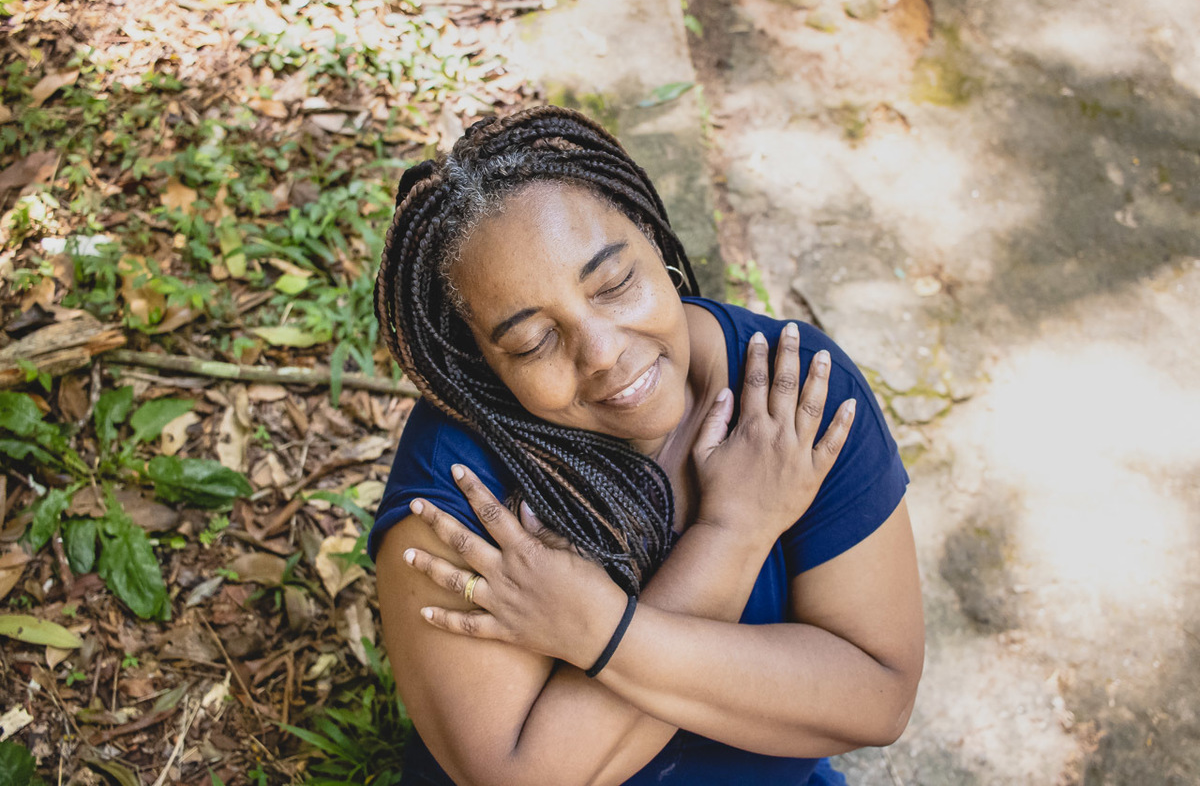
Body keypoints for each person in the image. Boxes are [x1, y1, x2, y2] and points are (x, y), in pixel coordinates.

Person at [369, 105, 924, 786]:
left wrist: (600, 632)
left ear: (654, 240)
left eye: (614, 284)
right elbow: (520, 777)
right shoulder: (462, 490)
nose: (602, 353)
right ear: (483, 364)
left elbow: (878, 697)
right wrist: (737, 531)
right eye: (534, 341)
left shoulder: (794, 396)